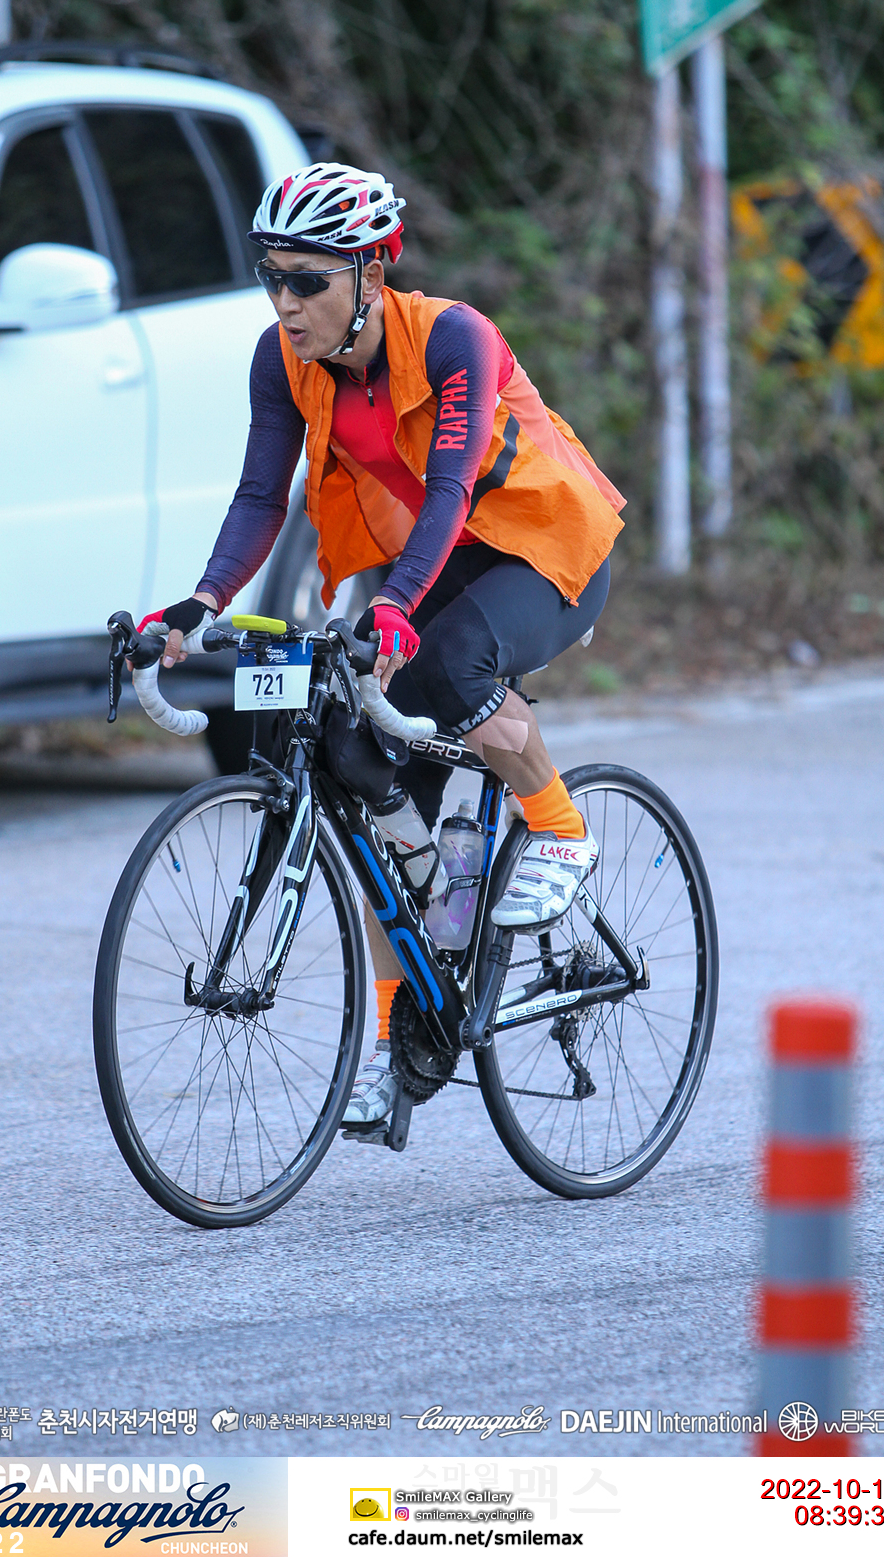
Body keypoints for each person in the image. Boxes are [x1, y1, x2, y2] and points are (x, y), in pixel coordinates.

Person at [144, 162, 626, 1130]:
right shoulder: (281, 358)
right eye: (272, 276)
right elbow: (259, 496)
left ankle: (561, 829)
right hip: (434, 563)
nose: (285, 302)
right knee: (360, 766)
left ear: (371, 271)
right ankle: (403, 1035)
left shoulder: (452, 337)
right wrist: (198, 604)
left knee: (452, 662)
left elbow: (450, 486)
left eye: (306, 280)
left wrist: (397, 607)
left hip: (545, 545)